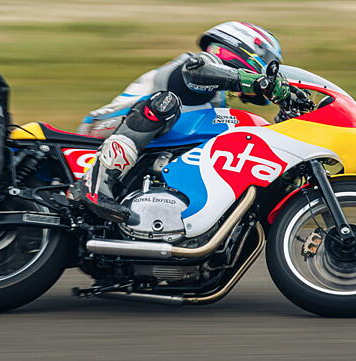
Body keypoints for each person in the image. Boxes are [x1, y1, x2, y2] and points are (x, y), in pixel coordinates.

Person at [72, 21, 313, 223]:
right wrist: (256, 82)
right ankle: (96, 181)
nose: (268, 72)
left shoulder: (215, 100)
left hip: (148, 148)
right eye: (267, 64)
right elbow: (196, 73)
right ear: (248, 50)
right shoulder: (197, 65)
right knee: (166, 103)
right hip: (103, 127)